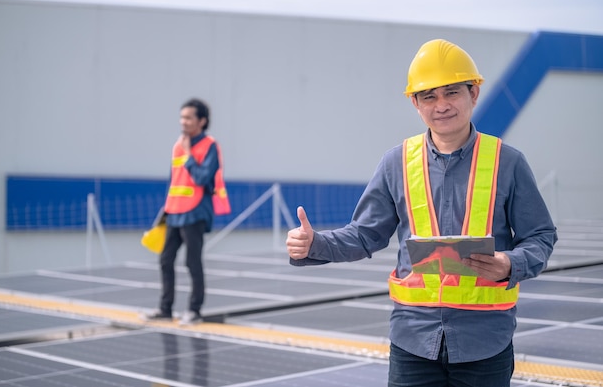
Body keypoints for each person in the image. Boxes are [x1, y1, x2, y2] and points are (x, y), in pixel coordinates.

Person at [286, 39, 557, 387]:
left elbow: (541, 236)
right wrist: (314, 244)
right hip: (413, 342)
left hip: (485, 343)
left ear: (473, 94)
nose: (441, 105)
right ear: (415, 103)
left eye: (452, 92)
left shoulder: (508, 162)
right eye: (429, 96)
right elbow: (365, 234)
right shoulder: (395, 163)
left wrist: (511, 263)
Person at [146, 98, 230, 325]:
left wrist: (189, 155)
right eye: (182, 117)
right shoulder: (178, 145)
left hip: (195, 213)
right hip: (174, 211)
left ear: (202, 121)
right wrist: (165, 209)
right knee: (165, 260)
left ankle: (194, 310)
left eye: (188, 117)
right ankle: (165, 309)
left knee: (193, 262)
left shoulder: (209, 145)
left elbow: (204, 177)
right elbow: (174, 180)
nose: (183, 122)